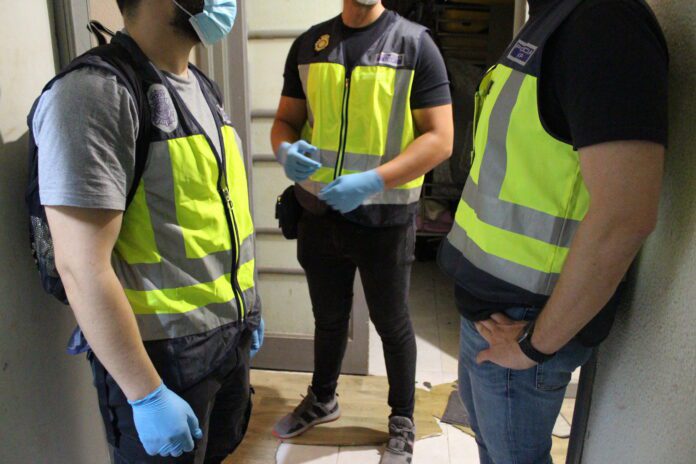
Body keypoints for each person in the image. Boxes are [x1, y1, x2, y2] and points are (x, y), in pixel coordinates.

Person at [30, 1, 264, 462]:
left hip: (226, 342)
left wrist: (249, 309)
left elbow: (217, 216)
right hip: (160, 361)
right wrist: (145, 393)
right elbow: (80, 265)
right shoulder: (95, 94)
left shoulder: (201, 88)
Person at [437, 0, 668, 463]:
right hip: (493, 312)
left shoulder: (603, 23)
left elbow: (625, 215)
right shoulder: (551, 20)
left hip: (527, 321)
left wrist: (533, 345)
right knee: (493, 451)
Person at [270, 0, 453, 462]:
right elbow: (286, 121)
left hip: (384, 221)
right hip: (318, 213)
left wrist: (374, 181)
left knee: (391, 323)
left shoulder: (415, 46)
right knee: (329, 318)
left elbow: (440, 138)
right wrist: (285, 150)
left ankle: (402, 418)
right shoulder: (310, 45)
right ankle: (323, 398)